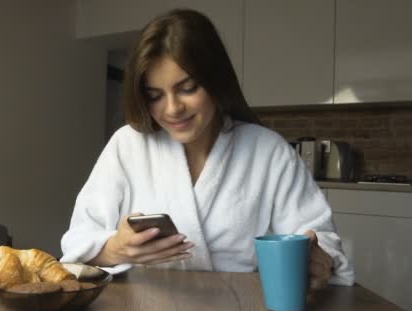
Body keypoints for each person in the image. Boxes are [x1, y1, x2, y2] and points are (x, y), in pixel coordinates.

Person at [60, 8, 354, 289]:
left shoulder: (267, 151)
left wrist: (318, 259)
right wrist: (117, 249)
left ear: (215, 80)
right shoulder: (127, 145)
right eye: (155, 95)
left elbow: (321, 238)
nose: (173, 108)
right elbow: (78, 242)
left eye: (187, 88)